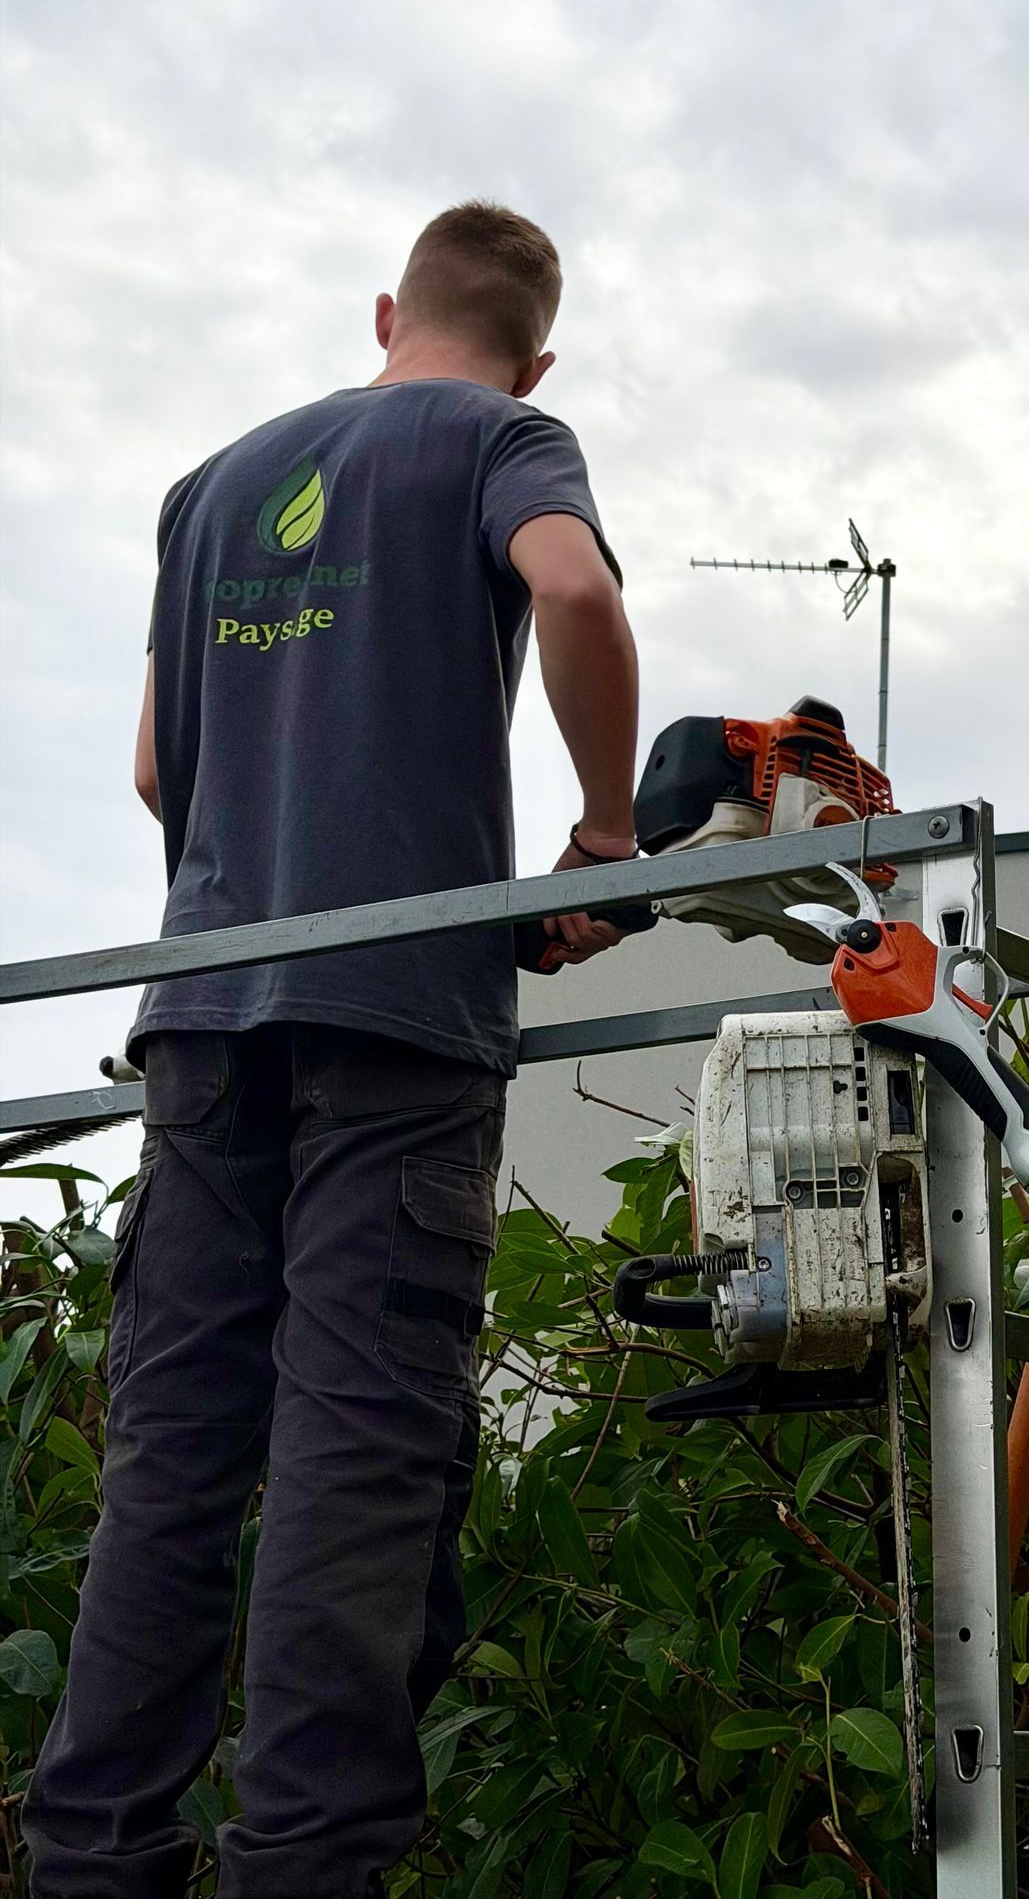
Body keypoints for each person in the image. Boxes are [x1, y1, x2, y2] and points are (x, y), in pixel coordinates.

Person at [24, 202, 641, 1898]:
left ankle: (93, 1860)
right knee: (355, 1453)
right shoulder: (507, 439)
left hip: (210, 1016)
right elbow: (574, 587)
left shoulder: (213, 485)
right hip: (395, 1018)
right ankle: (300, 1867)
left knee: (175, 1458)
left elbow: (159, 770)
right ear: (541, 349)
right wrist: (601, 836)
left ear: (386, 310)